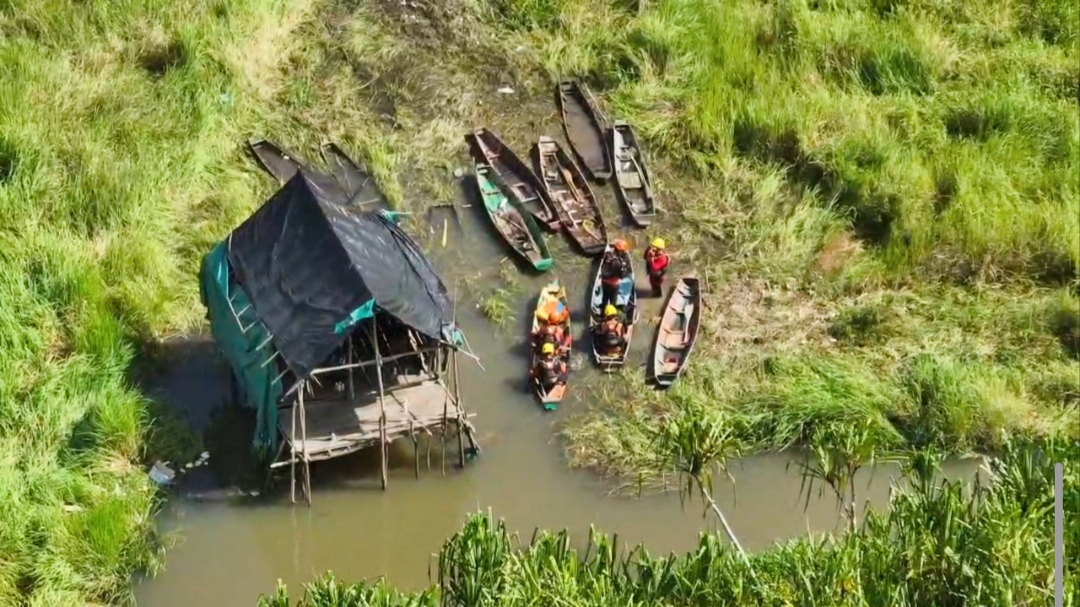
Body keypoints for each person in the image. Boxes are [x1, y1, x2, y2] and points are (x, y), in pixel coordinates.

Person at [600, 239, 632, 310]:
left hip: (604, 282)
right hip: (613, 285)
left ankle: (602, 313)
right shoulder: (618, 263)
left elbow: (603, 269)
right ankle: (611, 315)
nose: (624, 252)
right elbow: (622, 275)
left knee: (604, 298)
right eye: (623, 251)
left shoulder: (607, 255)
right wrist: (624, 269)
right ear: (620, 251)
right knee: (613, 300)